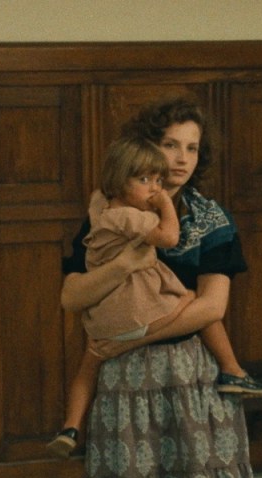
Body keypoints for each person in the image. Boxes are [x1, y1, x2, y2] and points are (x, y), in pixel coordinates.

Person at [60, 98, 259, 478]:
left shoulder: (211, 220)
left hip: (188, 375)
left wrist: (129, 337)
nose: (182, 158)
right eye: (170, 145)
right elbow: (71, 296)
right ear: (146, 148)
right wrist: (124, 265)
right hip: (126, 381)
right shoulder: (108, 212)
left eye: (192, 147)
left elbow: (211, 307)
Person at [46, 136, 198, 458]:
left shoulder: (100, 207)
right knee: (190, 299)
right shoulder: (131, 217)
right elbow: (169, 237)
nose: (154, 189)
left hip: (102, 318)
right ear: (119, 181)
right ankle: (232, 370)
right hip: (131, 312)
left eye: (158, 181)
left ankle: (70, 427)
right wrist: (165, 205)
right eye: (144, 180)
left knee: (89, 363)